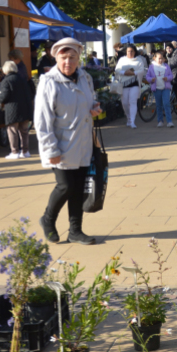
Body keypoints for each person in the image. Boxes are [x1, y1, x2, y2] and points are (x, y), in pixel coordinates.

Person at [35, 38, 102, 245]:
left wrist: (95, 109)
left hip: (82, 143)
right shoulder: (49, 82)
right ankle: (48, 219)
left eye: (72, 57)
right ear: (56, 58)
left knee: (79, 186)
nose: (68, 62)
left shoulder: (85, 78)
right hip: (60, 145)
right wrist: (50, 149)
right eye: (63, 58)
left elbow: (91, 102)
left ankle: (75, 231)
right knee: (65, 186)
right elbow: (42, 120)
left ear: (78, 58)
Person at [0, 60, 34, 159]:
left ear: (5, 70)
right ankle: (25, 151)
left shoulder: (6, 80)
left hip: (13, 109)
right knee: (24, 131)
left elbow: (4, 96)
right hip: (25, 108)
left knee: (12, 130)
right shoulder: (22, 79)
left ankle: (14, 152)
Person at [115, 44, 147, 129]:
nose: (130, 53)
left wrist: (133, 73)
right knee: (125, 102)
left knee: (132, 101)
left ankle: (132, 121)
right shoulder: (122, 60)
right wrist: (124, 73)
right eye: (128, 51)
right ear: (126, 51)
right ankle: (128, 118)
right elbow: (117, 70)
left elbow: (141, 70)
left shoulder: (139, 60)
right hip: (124, 83)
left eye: (132, 51)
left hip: (135, 83)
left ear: (135, 51)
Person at [145, 50, 174, 128]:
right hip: (156, 88)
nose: (161, 60)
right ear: (155, 58)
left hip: (165, 88)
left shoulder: (166, 66)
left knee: (166, 104)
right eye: (159, 58)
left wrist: (167, 78)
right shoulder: (151, 67)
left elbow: (171, 76)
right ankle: (160, 121)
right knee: (158, 105)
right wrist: (151, 79)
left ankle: (169, 121)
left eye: (162, 58)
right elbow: (147, 77)